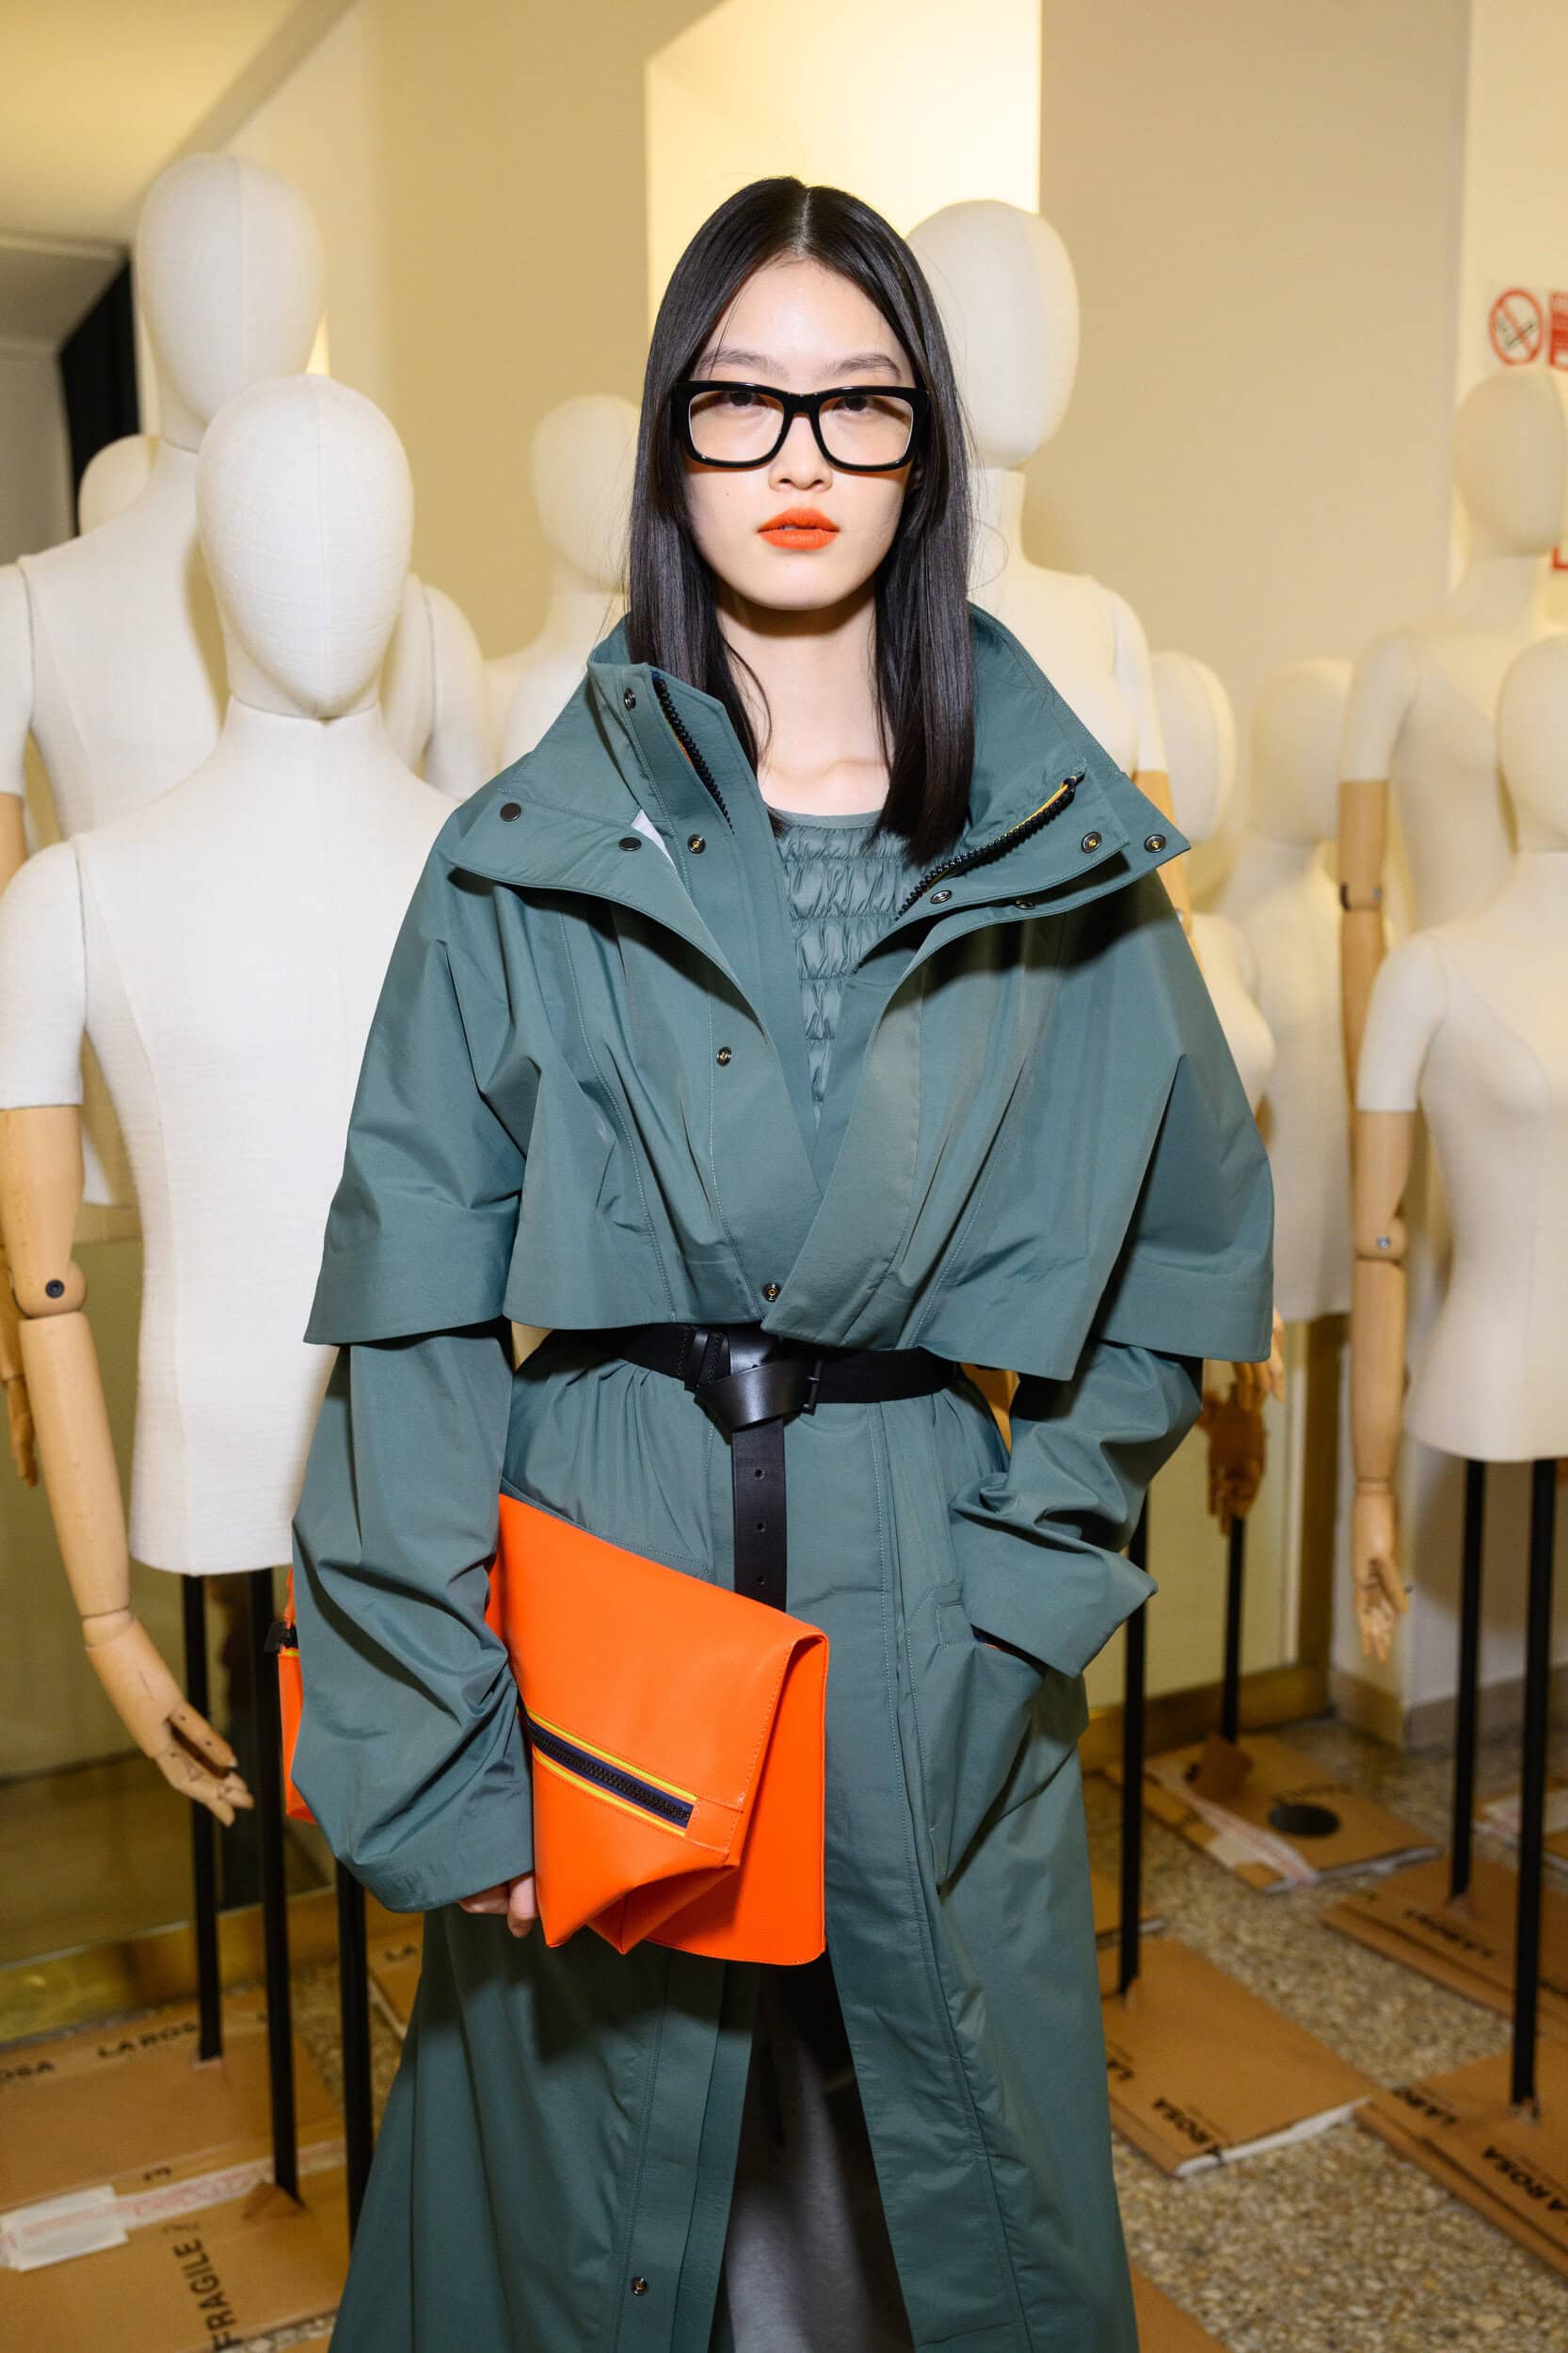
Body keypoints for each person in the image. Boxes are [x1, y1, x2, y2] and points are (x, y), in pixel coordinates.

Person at [291, 176, 1273, 2353]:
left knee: (931, 2213)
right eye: (740, 400)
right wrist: (453, 1741)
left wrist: (1019, 1588)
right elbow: (411, 1316)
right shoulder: (518, 854)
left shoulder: (1060, 851)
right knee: (600, 2222)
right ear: (670, 442)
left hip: (927, 1625)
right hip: (608, 1623)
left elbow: (1184, 1252)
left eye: (858, 402)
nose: (800, 455)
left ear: (924, 451)